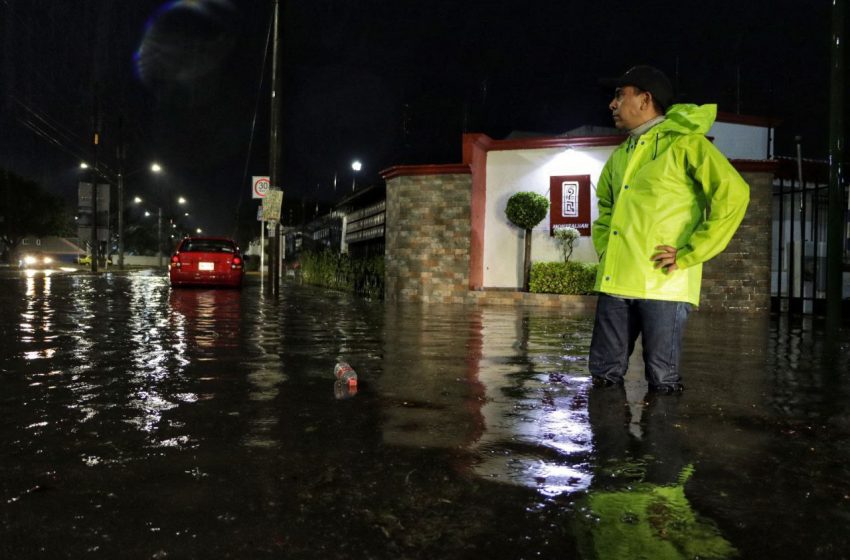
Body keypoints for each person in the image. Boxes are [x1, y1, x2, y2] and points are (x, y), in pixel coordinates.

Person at [589, 65, 750, 393]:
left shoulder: (686, 145)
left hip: (663, 284)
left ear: (645, 100)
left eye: (621, 95)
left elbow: (733, 194)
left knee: (662, 378)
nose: (612, 104)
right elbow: (606, 208)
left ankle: (658, 445)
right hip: (616, 282)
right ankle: (608, 445)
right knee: (605, 374)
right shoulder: (622, 155)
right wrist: (607, 248)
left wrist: (692, 253)